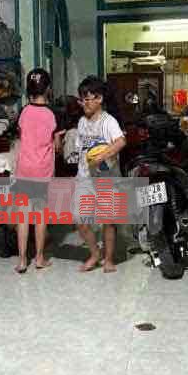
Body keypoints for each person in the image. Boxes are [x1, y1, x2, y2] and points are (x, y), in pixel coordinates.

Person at [13, 68, 64, 273]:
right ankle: (40, 258)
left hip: (24, 169)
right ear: (48, 88)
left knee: (23, 215)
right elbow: (58, 146)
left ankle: (22, 260)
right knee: (40, 216)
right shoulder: (53, 114)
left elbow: (21, 136)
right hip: (42, 170)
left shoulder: (23, 112)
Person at [74, 76, 126, 273]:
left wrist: (102, 156)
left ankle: (109, 259)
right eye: (82, 99)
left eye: (88, 99)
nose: (84, 103)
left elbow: (121, 142)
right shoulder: (81, 122)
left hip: (107, 179)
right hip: (85, 178)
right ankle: (95, 254)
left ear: (99, 99)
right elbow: (81, 149)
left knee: (108, 221)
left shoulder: (109, 121)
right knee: (80, 220)